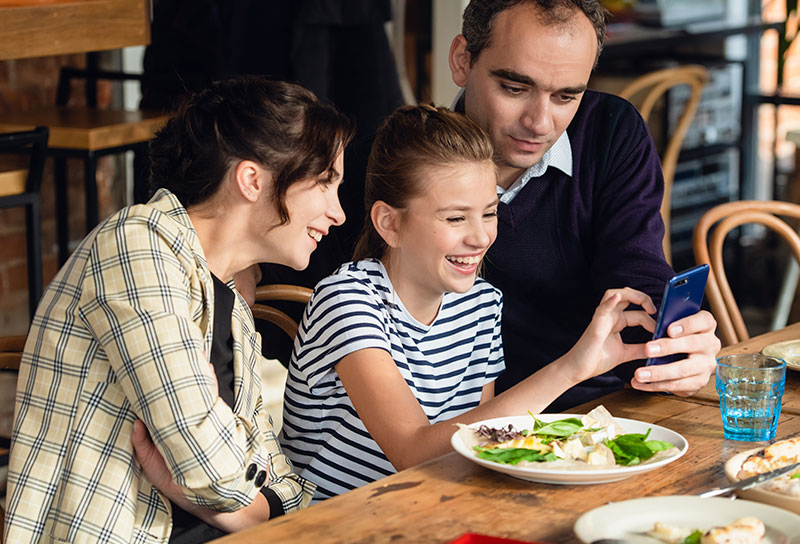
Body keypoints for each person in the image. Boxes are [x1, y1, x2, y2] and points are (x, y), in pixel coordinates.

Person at [4, 77, 354, 544]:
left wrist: (224, 498)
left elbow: (285, 489)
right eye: (326, 184)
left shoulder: (232, 310)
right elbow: (208, 463)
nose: (338, 213)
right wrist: (228, 487)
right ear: (252, 180)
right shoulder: (135, 244)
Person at [279, 104, 658, 500]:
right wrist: (572, 368)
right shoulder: (347, 300)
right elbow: (413, 451)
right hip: (330, 524)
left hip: (431, 509)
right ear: (389, 224)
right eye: (456, 219)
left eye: (489, 213)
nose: (480, 237)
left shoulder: (480, 302)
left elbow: (484, 442)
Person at [447, 0, 720, 410]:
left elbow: (636, 269)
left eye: (565, 96)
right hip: (457, 432)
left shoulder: (611, 130)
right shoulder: (394, 165)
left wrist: (676, 345)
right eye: (515, 88)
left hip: (602, 411)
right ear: (463, 60)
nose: (539, 123)